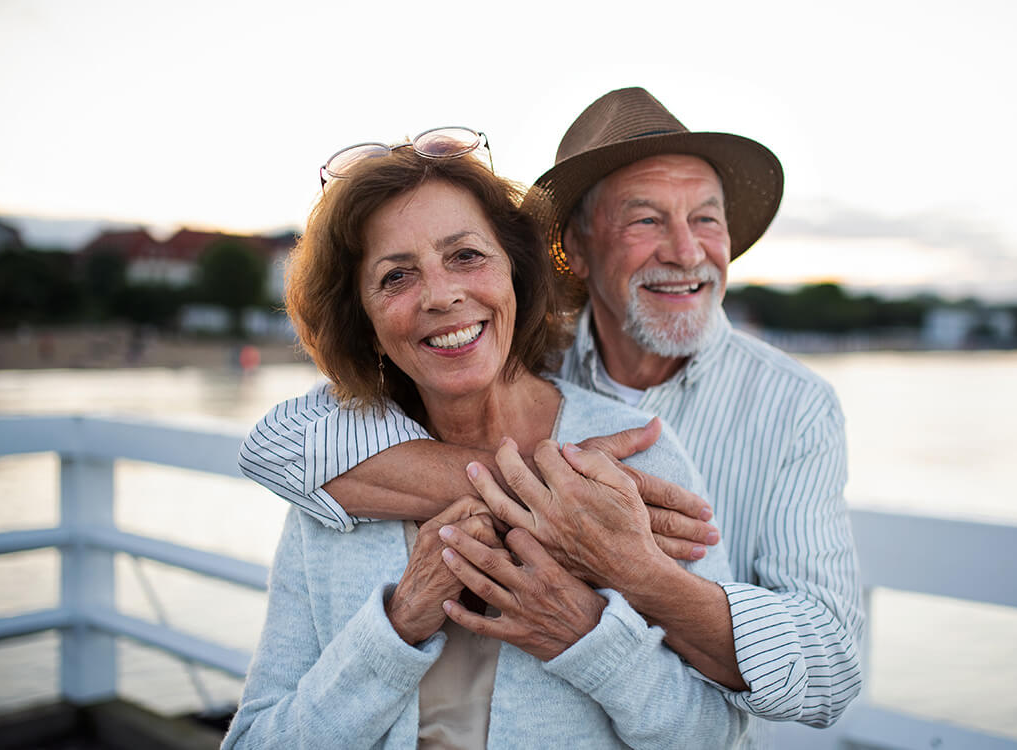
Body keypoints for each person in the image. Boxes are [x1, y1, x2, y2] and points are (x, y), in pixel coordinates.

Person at [240, 88, 864, 743]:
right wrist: (547, 494)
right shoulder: (384, 430)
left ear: (512, 273)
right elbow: (274, 444)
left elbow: (800, 687)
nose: (685, 250)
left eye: (706, 218)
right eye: (646, 219)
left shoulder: (783, 411)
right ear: (576, 251)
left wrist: (618, 589)